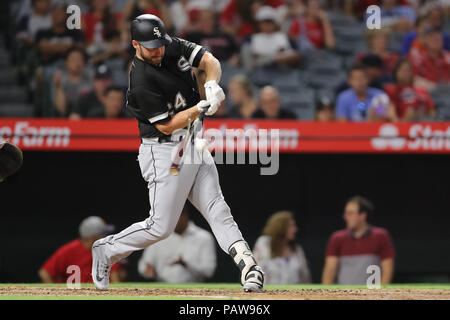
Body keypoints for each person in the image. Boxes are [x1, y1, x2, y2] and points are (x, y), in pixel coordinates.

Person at [91, 14, 265, 293]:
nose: (158, 49)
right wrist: (201, 107)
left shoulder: (168, 44)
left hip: (193, 142)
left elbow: (209, 61)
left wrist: (212, 84)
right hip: (164, 151)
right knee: (160, 227)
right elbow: (166, 124)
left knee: (218, 210)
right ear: (135, 44)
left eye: (159, 43)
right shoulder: (140, 79)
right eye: (150, 45)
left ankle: (250, 267)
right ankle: (107, 249)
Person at [322, 196, 395, 285]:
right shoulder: (337, 238)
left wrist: (381, 295)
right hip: (345, 296)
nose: (346, 217)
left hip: (371, 296)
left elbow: (387, 269)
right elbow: (330, 270)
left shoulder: (380, 236)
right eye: (346, 213)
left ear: (362, 216)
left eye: (350, 213)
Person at [138, 206, 217, 283]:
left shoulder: (204, 237)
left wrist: (186, 263)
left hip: (194, 289)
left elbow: (209, 271)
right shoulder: (158, 237)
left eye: (175, 217)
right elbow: (144, 266)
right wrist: (147, 270)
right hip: (163, 289)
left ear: (184, 215)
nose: (171, 221)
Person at [38, 216, 119, 283]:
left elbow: (114, 278)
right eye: (103, 234)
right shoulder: (69, 250)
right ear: (92, 238)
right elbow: (44, 273)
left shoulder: (105, 250)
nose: (106, 237)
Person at [253, 211, 311, 284]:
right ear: (280, 227)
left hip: (293, 294)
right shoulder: (264, 243)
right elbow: (257, 271)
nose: (295, 229)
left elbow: (305, 277)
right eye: (291, 226)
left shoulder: (297, 249)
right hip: (268, 293)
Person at [241, 5, 301, 73]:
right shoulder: (250, 39)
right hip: (260, 73)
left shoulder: (284, 37)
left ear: (274, 23)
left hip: (283, 71)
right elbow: (249, 64)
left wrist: (289, 57)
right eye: (264, 22)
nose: (267, 25)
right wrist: (274, 58)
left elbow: (296, 55)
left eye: (270, 22)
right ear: (259, 23)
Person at [34, 1, 85, 66]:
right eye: (55, 12)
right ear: (51, 15)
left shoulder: (76, 33)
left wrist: (51, 48)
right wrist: (69, 47)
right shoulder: (42, 33)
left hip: (70, 67)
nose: (57, 15)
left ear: (67, 16)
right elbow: (43, 48)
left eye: (61, 13)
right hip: (47, 66)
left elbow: (80, 48)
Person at [51, 47, 93, 117]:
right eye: (73, 59)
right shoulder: (59, 79)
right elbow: (61, 109)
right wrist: (58, 87)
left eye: (80, 59)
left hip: (87, 118)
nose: (77, 62)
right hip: (65, 118)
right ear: (66, 62)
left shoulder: (90, 79)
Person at [410, 27, 450, 91]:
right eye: (433, 38)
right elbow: (414, 79)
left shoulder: (448, 56)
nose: (436, 41)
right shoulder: (418, 58)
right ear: (426, 41)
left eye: (438, 39)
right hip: (428, 92)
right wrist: (435, 87)